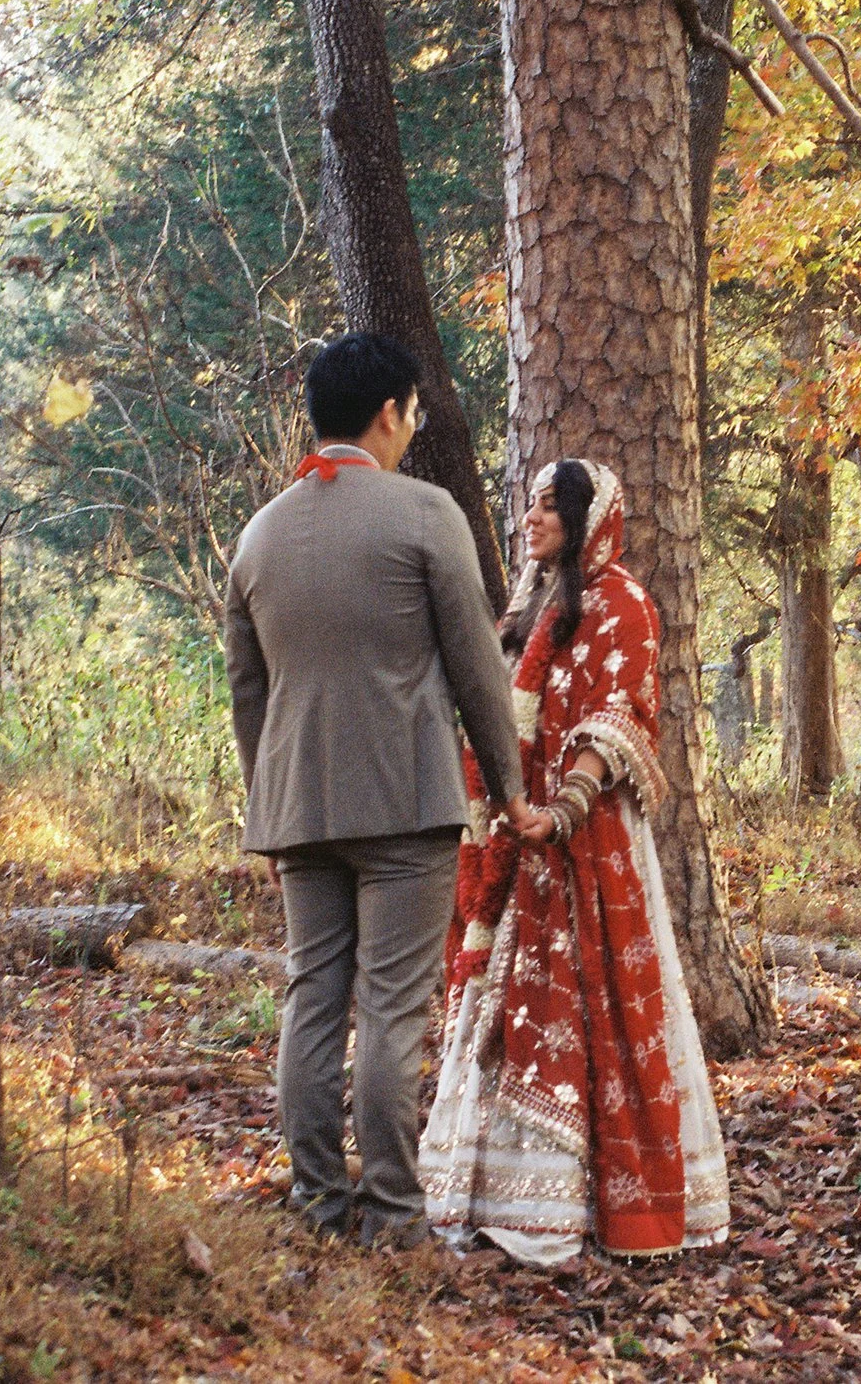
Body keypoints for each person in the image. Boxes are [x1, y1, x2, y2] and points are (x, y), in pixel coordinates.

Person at [222, 332, 541, 1246]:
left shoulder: (261, 534)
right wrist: (511, 789)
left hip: (296, 809)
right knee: (395, 1005)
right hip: (405, 800)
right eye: (413, 412)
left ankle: (320, 1203)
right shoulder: (425, 514)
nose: (413, 427)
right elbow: (479, 669)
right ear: (391, 412)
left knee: (312, 997)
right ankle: (396, 1216)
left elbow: (251, 693)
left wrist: (268, 801)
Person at [419, 459, 730, 1265]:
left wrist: (564, 809)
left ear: (592, 521)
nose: (532, 521)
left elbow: (617, 716)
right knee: (508, 1013)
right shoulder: (525, 611)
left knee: (604, 1008)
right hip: (517, 850)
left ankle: (587, 1205)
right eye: (529, 507)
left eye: (551, 508)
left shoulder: (623, 605)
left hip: (590, 847)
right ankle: (506, 1197)